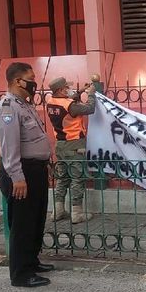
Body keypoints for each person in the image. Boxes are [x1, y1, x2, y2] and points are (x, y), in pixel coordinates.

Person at [0, 62, 54, 287]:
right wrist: (17, 177)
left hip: (36, 171)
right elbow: (9, 147)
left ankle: (31, 262)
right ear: (18, 81)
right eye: (31, 78)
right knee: (23, 224)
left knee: (36, 220)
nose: (35, 82)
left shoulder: (24, 105)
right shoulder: (8, 108)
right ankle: (20, 274)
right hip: (22, 173)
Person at [46, 76, 96, 224]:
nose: (69, 89)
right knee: (77, 178)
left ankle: (57, 211)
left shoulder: (51, 102)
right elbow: (89, 108)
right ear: (61, 90)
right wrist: (91, 93)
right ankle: (77, 213)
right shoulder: (70, 105)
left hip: (60, 145)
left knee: (62, 178)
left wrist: (80, 91)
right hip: (74, 145)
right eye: (67, 87)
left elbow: (68, 103)